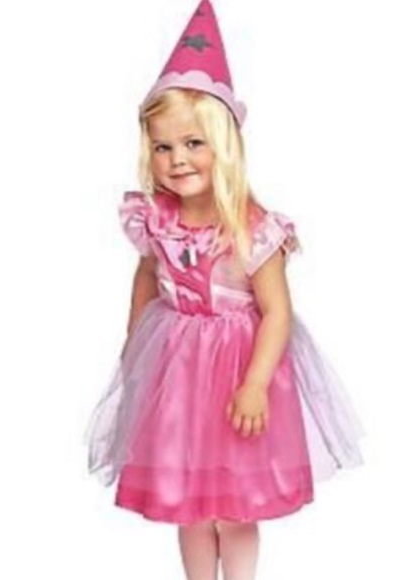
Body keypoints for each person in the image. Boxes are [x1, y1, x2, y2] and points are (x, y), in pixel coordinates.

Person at [85, 2, 364, 579]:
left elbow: (277, 313)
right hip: (177, 374)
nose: (176, 159)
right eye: (163, 147)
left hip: (238, 372)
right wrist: (134, 347)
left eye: (193, 143)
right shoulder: (155, 220)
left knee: (234, 509)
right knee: (189, 506)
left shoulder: (253, 228)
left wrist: (256, 383)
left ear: (224, 146)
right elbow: (147, 277)